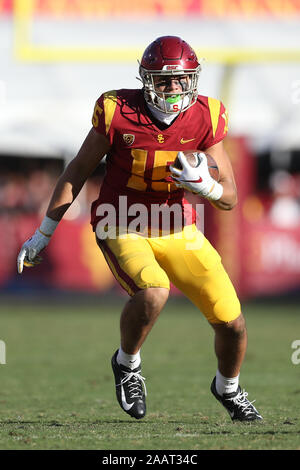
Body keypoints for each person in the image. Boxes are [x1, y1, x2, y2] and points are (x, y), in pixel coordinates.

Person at [17, 36, 262, 422]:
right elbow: (77, 171)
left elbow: (229, 197)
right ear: (146, 79)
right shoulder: (116, 109)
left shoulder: (208, 115)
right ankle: (127, 364)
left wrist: (207, 186)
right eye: (164, 81)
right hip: (120, 221)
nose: (173, 88)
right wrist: (43, 233)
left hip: (177, 227)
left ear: (193, 80)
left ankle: (227, 389)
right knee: (153, 292)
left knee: (233, 324)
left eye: (181, 80)